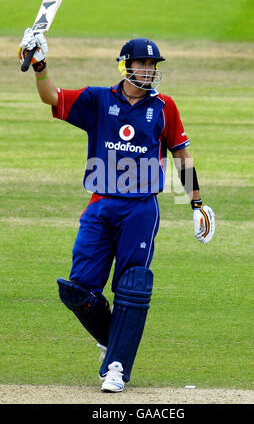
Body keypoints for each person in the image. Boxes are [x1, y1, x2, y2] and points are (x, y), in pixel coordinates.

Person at [18, 29, 215, 393]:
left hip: (141, 208)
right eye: (142, 63)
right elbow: (51, 97)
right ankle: (114, 342)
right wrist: (40, 65)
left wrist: (197, 203)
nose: (149, 69)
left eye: (153, 64)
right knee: (78, 290)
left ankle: (117, 367)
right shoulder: (97, 100)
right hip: (100, 204)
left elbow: (181, 156)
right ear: (126, 65)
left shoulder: (164, 107)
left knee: (132, 287)